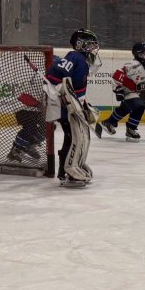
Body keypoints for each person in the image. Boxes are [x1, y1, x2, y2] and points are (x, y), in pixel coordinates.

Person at [46, 29, 100, 187]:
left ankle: (76, 164)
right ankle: (68, 171)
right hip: (67, 109)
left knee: (77, 137)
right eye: (90, 45)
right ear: (80, 44)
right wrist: (58, 91)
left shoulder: (82, 61)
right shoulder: (75, 56)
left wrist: (84, 104)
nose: (93, 48)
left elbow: (75, 88)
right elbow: (55, 74)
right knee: (74, 137)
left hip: (74, 107)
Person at [96, 42, 145, 142]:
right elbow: (116, 75)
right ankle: (131, 129)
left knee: (126, 108)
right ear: (139, 54)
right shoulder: (132, 65)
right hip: (125, 90)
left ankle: (109, 122)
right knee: (139, 106)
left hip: (133, 91)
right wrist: (118, 89)